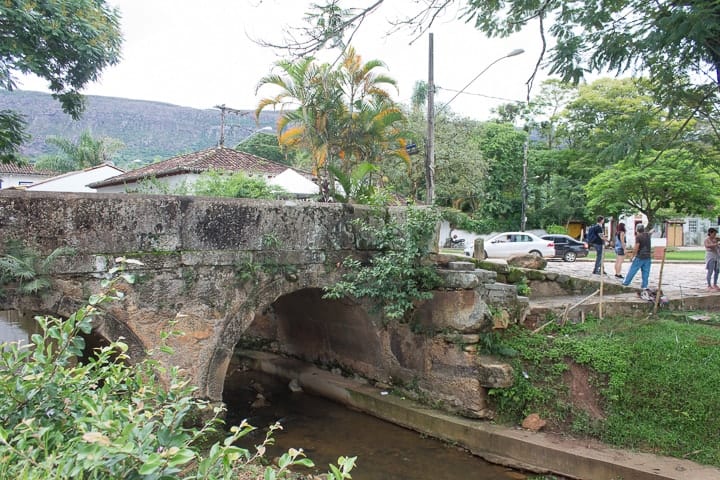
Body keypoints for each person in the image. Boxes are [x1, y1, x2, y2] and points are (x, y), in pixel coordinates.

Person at [622, 224, 652, 290]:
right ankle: (644, 286)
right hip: (648, 256)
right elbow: (651, 231)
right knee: (646, 272)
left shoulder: (638, 237)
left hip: (640, 257)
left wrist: (632, 256)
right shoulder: (647, 235)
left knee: (633, 270)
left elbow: (636, 247)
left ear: (636, 230)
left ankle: (626, 282)